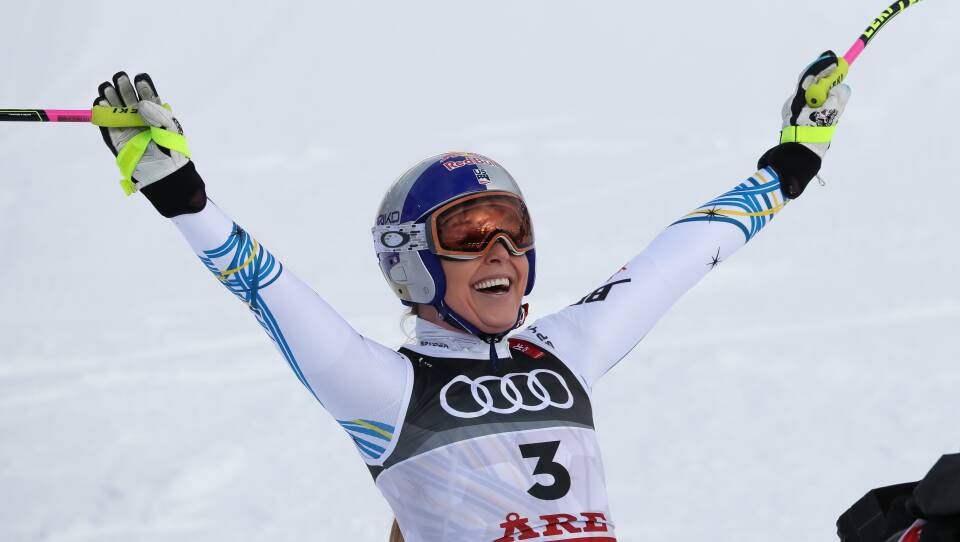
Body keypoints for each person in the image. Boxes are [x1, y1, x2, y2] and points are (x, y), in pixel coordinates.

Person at [95, 51, 851, 541]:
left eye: (512, 230)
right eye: (466, 233)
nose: (500, 252)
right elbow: (266, 290)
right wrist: (186, 201)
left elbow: (681, 254)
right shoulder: (385, 389)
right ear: (412, 261)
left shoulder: (563, 350)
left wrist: (792, 162)